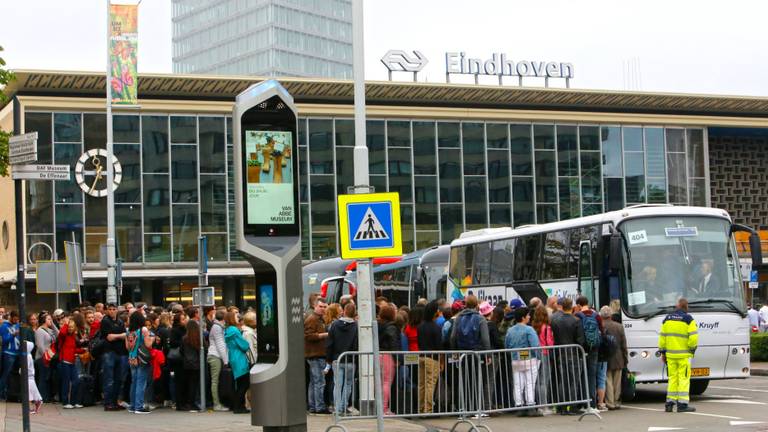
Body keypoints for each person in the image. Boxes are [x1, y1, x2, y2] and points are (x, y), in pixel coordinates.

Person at [658, 298, 698, 413]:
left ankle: (669, 404)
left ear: (677, 306)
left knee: (672, 379)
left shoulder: (667, 319)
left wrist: (663, 352)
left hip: (670, 356)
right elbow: (693, 338)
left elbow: (662, 337)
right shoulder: (688, 319)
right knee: (684, 379)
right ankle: (682, 404)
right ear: (686, 307)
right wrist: (691, 349)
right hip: (683, 356)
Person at [550, 297, 585, 415]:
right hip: (574, 353)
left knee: (563, 381)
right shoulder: (576, 321)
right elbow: (580, 340)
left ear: (561, 306)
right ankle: (573, 406)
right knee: (574, 381)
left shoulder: (556, 320)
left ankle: (562, 407)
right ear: (572, 306)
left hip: (561, 353)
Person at [505, 307, 541, 416]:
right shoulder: (529, 330)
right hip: (529, 359)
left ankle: (519, 405)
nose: (529, 317)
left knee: (518, 383)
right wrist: (538, 357)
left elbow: (506, 345)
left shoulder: (510, 330)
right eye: (528, 315)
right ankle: (530, 405)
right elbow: (535, 345)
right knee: (530, 383)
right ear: (523, 317)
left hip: (515, 359)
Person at [326, 303, 358, 415]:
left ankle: (337, 408)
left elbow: (330, 343)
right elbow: (356, 344)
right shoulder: (356, 326)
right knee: (348, 384)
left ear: (344, 311)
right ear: (354, 313)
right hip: (350, 359)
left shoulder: (334, 325)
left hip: (336, 359)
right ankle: (344, 406)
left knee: (337, 385)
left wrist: (329, 358)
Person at [575, 296, 603, 409]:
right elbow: (602, 330)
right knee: (592, 375)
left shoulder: (577, 316)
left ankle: (583, 402)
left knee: (582, 375)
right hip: (594, 348)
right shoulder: (596, 315)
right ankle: (592, 404)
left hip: (582, 349)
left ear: (578, 305)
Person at [100, 303, 128, 411]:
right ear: (107, 311)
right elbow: (109, 337)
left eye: (114, 309)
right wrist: (120, 335)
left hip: (120, 352)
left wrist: (117, 335)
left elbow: (123, 334)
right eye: (110, 309)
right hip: (109, 352)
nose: (112, 311)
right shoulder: (105, 321)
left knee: (118, 379)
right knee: (109, 379)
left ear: (117, 310)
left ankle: (115, 402)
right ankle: (108, 403)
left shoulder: (120, 321)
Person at [417, 300, 442, 414]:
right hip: (432, 358)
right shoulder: (436, 327)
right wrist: (441, 361)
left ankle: (421, 408)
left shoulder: (420, 326)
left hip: (421, 356)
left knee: (421, 384)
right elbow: (439, 345)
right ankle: (428, 409)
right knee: (430, 384)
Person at [126, 310, 154, 414]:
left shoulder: (129, 331)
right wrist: (153, 338)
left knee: (134, 382)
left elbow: (127, 347)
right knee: (141, 382)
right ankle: (139, 406)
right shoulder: (143, 329)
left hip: (131, 358)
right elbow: (148, 344)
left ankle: (132, 406)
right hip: (141, 359)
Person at [304, 298, 329, 414]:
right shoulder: (312, 319)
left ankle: (314, 406)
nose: (323, 309)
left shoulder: (319, 319)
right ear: (315, 306)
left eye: (325, 307)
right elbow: (308, 336)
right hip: (315, 354)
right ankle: (319, 406)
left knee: (314, 382)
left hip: (316, 354)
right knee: (319, 381)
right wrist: (323, 335)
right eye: (321, 306)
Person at [224, 311, 251, 414]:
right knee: (243, 384)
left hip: (233, 356)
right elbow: (244, 345)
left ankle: (238, 406)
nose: (238, 317)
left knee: (239, 383)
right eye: (236, 316)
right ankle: (239, 407)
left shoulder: (228, 330)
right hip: (239, 357)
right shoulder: (235, 330)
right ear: (232, 318)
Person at [601, 306, 627, 410]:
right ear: (611, 315)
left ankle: (610, 403)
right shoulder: (619, 326)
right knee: (617, 381)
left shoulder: (601, 326)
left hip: (605, 356)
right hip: (618, 357)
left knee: (607, 380)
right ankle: (616, 402)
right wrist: (625, 358)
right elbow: (623, 344)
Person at [377, 303, 400, 416]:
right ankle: (384, 408)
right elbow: (393, 343)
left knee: (379, 382)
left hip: (377, 354)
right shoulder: (392, 327)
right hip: (387, 355)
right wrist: (397, 358)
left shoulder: (376, 325)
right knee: (387, 382)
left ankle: (379, 407)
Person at [532, 305, 554, 414]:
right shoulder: (547, 327)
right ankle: (544, 406)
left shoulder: (534, 326)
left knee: (536, 381)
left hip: (535, 354)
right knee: (544, 380)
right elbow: (550, 343)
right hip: (544, 353)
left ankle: (538, 404)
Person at [57, 316, 83, 409]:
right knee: (66, 382)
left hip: (71, 361)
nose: (70, 328)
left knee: (76, 381)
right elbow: (62, 332)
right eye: (69, 327)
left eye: (72, 327)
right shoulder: (63, 336)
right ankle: (65, 402)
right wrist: (66, 323)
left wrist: (82, 350)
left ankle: (73, 401)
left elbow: (73, 349)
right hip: (65, 361)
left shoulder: (73, 336)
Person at [207, 309, 229, 412]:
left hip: (215, 356)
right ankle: (216, 404)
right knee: (215, 381)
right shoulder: (217, 328)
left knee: (215, 381)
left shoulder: (217, 327)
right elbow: (220, 345)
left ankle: (217, 403)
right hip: (215, 356)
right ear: (224, 318)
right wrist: (225, 360)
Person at [182, 319, 205, 412]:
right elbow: (204, 348)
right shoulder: (199, 337)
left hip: (187, 363)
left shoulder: (185, 338)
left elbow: (181, 350)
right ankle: (194, 402)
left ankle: (190, 402)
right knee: (195, 384)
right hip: (197, 363)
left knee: (190, 383)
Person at [34, 312, 57, 402]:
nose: (50, 320)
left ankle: (46, 396)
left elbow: (58, 335)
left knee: (48, 377)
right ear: (44, 320)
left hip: (50, 357)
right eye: (48, 319)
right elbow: (40, 346)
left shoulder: (50, 330)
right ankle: (41, 397)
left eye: (51, 319)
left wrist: (53, 324)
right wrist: (46, 357)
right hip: (42, 358)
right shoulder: (39, 331)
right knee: (43, 377)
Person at [0, 311, 21, 401]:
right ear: (11, 317)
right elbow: (4, 340)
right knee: (6, 374)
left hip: (17, 353)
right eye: (15, 319)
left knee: (15, 375)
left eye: (17, 319)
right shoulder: (4, 326)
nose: (16, 321)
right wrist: (13, 334)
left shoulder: (18, 325)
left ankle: (11, 394)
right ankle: (1, 393)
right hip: (8, 353)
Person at [24, 341, 42, 414]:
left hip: (28, 376)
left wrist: (21, 370)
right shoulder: (28, 355)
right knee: (32, 392)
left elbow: (26, 366)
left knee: (28, 393)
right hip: (29, 377)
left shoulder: (28, 356)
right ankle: (37, 402)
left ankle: (30, 408)